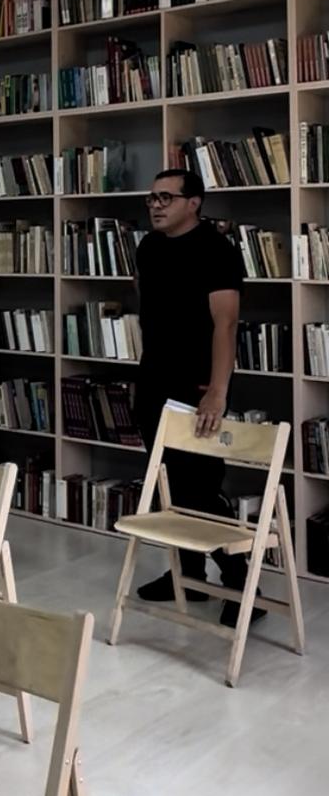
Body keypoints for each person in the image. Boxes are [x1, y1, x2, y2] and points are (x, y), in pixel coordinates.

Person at [134, 167, 259, 629]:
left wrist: (218, 392)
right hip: (154, 378)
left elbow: (226, 324)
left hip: (199, 385)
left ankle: (244, 585)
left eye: (166, 197)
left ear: (194, 203)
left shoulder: (216, 250)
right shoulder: (148, 247)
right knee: (166, 481)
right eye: (152, 198)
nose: (156, 205)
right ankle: (187, 575)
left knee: (199, 487)